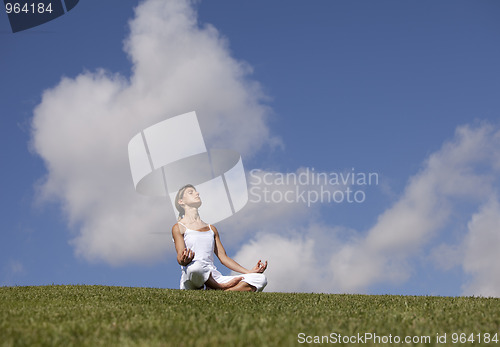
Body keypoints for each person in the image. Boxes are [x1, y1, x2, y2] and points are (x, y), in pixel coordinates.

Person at [171, 184, 268, 291]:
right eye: (191, 192)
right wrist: (183, 260)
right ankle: (220, 287)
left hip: (213, 276)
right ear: (181, 202)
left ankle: (222, 291)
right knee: (196, 267)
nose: (197, 193)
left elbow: (223, 258)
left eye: (196, 192)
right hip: (193, 276)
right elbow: (180, 256)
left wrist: (248, 272)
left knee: (260, 279)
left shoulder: (211, 228)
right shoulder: (179, 227)